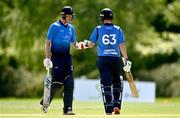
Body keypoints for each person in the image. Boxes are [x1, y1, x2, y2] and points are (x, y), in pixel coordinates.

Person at [82, 8, 132, 115]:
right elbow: (121, 45)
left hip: (103, 58)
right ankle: (117, 106)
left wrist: (85, 43)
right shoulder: (118, 29)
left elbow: (91, 45)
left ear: (102, 18)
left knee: (106, 83)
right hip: (115, 58)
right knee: (117, 82)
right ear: (111, 17)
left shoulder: (98, 29)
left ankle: (109, 109)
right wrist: (126, 59)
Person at [40, 6, 82, 115]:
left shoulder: (71, 28)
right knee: (57, 83)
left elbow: (75, 44)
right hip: (56, 57)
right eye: (69, 15)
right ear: (63, 15)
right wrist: (48, 58)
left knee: (69, 83)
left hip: (67, 58)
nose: (70, 17)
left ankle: (68, 109)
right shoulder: (54, 26)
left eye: (71, 15)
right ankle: (45, 101)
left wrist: (82, 45)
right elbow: (48, 43)